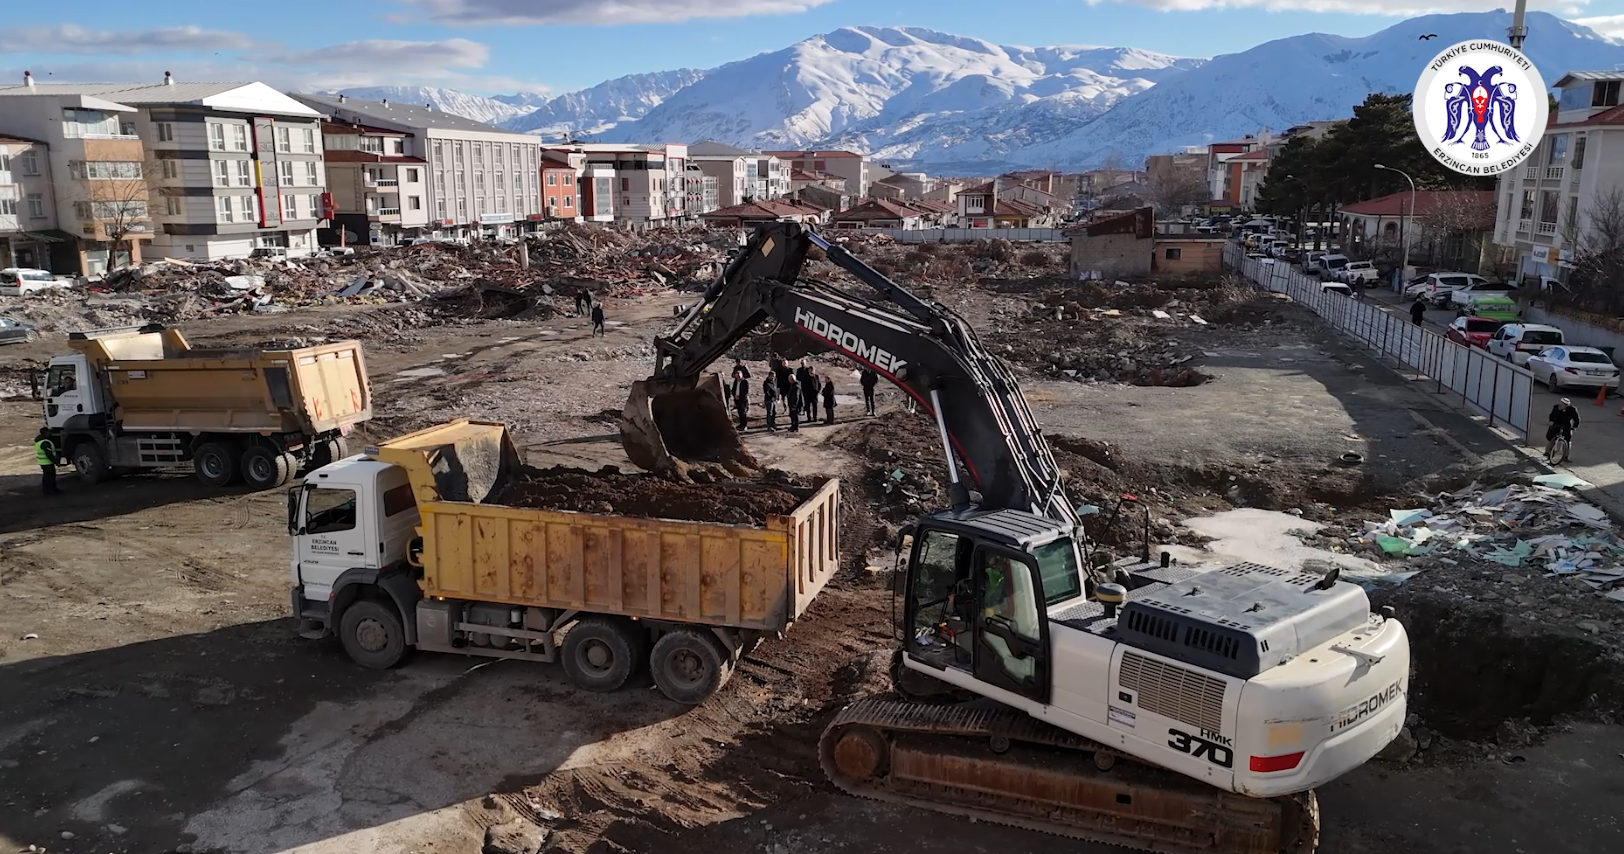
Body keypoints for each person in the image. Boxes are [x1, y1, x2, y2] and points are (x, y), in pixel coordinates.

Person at [1547, 397, 1580, 462]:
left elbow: (1576, 418)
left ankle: (1566, 456)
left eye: (1565, 404)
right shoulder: (1556, 407)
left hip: (1566, 425)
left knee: (1567, 440)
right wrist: (1551, 421)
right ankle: (1548, 452)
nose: (1563, 405)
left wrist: (1575, 426)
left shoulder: (1572, 409)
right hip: (1557, 423)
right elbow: (1551, 415)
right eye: (1562, 404)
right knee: (1552, 438)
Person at [34, 430, 59, 496]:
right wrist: (55, 461)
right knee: (50, 477)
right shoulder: (45, 442)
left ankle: (47, 491)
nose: (50, 434)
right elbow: (49, 454)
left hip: (43, 462)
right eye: (48, 432)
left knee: (46, 477)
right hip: (47, 463)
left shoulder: (39, 442)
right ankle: (51, 491)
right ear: (45, 433)